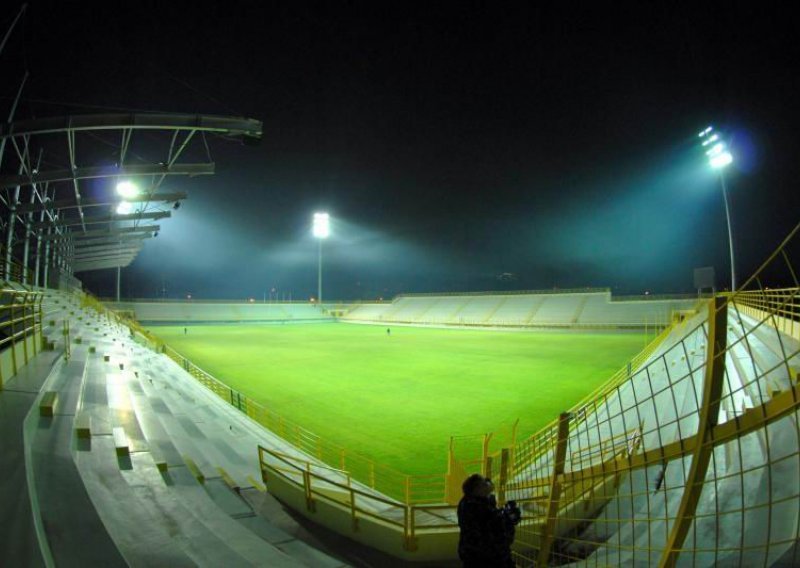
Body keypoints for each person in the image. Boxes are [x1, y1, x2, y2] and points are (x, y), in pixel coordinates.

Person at [457, 474, 521, 567]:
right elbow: (500, 530)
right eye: (484, 483)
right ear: (478, 489)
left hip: (474, 556)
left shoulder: (467, 502)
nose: (488, 483)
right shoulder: (478, 507)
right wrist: (510, 517)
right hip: (490, 558)